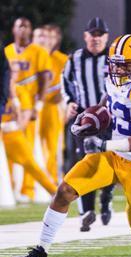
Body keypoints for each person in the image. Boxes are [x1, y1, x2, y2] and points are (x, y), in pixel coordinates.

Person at [10, 34, 131, 257]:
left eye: (125, 65)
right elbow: (106, 104)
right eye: (115, 64)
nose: (119, 70)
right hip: (112, 157)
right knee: (65, 191)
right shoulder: (114, 77)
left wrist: (104, 145)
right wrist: (91, 117)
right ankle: (40, 253)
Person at [61, 17, 114, 231]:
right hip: (83, 118)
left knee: (108, 163)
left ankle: (106, 197)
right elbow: (64, 83)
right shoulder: (74, 59)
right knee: (83, 163)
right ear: (85, 36)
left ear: (106, 36)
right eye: (93, 34)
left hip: (109, 119)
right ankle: (86, 211)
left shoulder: (114, 58)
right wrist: (70, 102)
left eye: (100, 34)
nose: (96, 38)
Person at [4, 17, 52, 202]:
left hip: (28, 103)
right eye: (19, 26)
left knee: (28, 150)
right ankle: (10, 187)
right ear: (13, 29)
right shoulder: (7, 50)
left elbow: (45, 77)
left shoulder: (38, 51)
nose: (23, 29)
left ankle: (28, 189)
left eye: (26, 26)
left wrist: (38, 104)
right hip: (10, 102)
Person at [39, 25, 68, 184]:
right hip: (37, 106)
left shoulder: (63, 59)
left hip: (53, 106)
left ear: (57, 40)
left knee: (53, 145)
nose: (47, 40)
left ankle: (53, 178)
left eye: (52, 37)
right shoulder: (36, 56)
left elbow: (67, 86)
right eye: (45, 36)